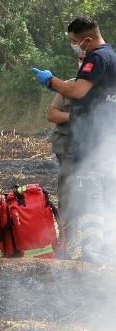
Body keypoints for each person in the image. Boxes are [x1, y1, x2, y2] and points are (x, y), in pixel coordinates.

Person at [31, 16, 116, 264]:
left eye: (74, 42)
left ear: (87, 40)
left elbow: (77, 91)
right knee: (106, 193)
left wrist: (50, 80)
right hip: (105, 138)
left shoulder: (97, 57)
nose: (74, 46)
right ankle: (107, 248)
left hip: (91, 139)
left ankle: (93, 249)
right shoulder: (112, 58)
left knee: (92, 194)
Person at [45, 53, 85, 258]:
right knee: (66, 199)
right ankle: (66, 246)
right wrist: (75, 117)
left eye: (85, 58)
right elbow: (51, 114)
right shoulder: (67, 86)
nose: (82, 61)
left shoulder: (105, 88)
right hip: (67, 153)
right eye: (79, 58)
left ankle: (92, 248)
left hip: (92, 154)